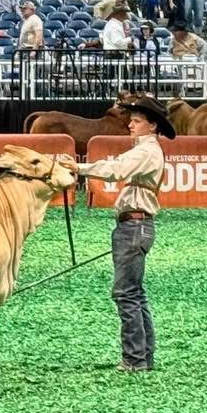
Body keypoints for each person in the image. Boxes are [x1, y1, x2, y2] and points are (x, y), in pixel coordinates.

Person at [75, 94, 175, 372]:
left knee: (126, 293)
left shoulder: (145, 151)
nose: (131, 125)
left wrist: (78, 167)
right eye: (131, 120)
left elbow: (115, 170)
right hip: (138, 226)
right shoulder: (147, 150)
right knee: (135, 293)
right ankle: (143, 356)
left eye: (137, 121)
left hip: (133, 226)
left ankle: (134, 359)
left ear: (152, 126)